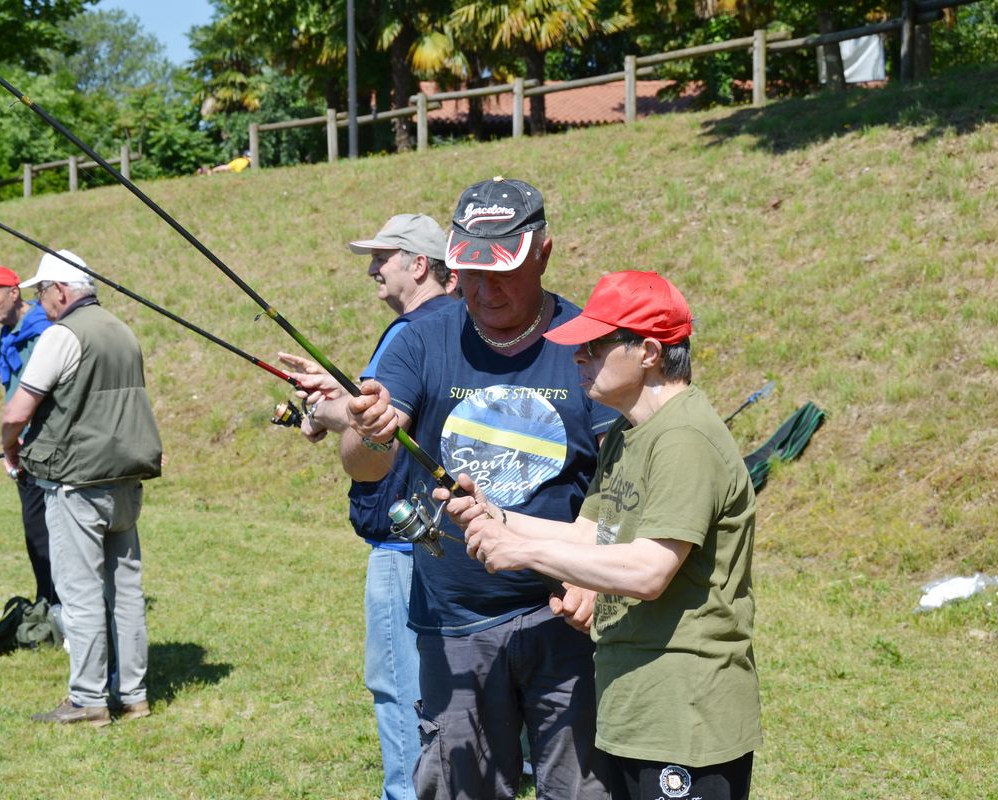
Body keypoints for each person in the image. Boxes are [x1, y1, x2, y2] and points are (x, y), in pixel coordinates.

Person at [345, 177, 616, 800]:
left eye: (504, 272)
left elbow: (627, 476)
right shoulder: (420, 339)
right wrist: (370, 430)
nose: (486, 291)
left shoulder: (588, 341)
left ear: (543, 254)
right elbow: (363, 468)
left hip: (566, 617)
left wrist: (597, 576)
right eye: (471, 272)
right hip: (454, 623)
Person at [447, 270, 762, 800]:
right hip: (635, 706)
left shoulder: (684, 438)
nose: (579, 357)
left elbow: (649, 571)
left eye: (594, 346)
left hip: (685, 715)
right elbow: (591, 534)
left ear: (649, 352)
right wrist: (494, 516)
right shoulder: (628, 432)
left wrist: (522, 551)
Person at [278, 213, 458, 800]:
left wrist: (323, 410)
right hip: (457, 538)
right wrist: (335, 400)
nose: (372, 269)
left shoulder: (409, 335)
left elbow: (371, 429)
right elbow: (386, 414)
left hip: (404, 545)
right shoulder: (464, 324)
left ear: (420, 264)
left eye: (383, 257)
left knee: (400, 687)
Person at [1, 249, 162, 726]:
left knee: (81, 592)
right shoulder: (122, 330)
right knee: (126, 592)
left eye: (41, 292)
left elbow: (17, 411)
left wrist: (10, 448)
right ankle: (133, 695)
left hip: (77, 481)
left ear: (60, 290)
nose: (39, 302)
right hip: (125, 478)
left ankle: (88, 699)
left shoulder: (62, 335)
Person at [0, 265, 57, 610]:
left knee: (49, 533)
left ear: (14, 292)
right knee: (35, 532)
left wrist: (14, 438)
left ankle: (60, 606)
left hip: (48, 447)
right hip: (25, 446)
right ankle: (47, 601)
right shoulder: (9, 332)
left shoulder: (43, 330)